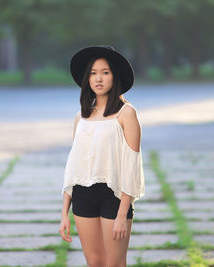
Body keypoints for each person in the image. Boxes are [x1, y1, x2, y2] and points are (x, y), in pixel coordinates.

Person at [59, 45, 145, 267]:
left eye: (105, 72)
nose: (98, 78)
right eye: (93, 73)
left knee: (114, 263)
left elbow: (131, 165)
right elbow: (74, 165)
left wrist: (122, 214)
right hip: (82, 195)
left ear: (114, 77)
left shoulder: (127, 114)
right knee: (94, 262)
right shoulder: (81, 117)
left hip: (113, 197)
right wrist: (64, 213)